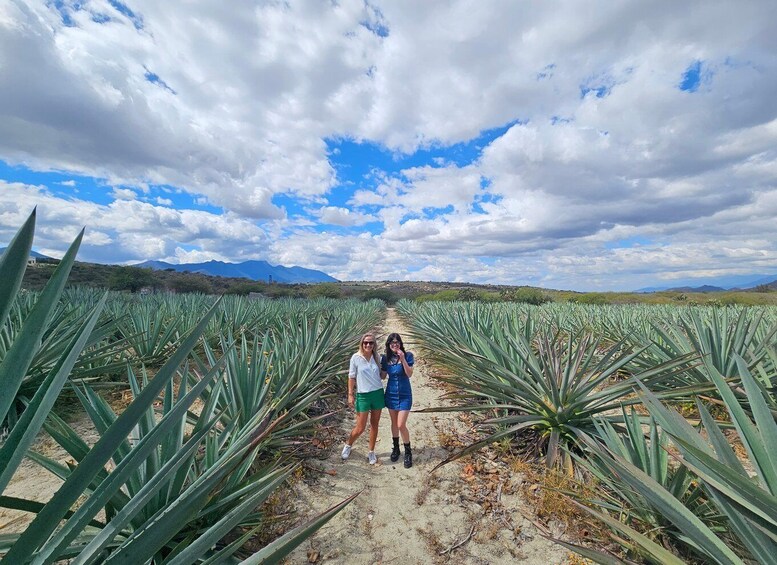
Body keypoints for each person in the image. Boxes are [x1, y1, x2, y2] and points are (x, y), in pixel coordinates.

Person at [342, 332, 385, 465]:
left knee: (374, 424)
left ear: (374, 344)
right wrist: (350, 394)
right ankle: (348, 444)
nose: (368, 345)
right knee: (360, 427)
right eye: (365, 342)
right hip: (363, 395)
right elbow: (351, 377)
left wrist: (388, 366)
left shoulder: (377, 357)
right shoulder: (356, 357)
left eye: (371, 342)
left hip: (377, 393)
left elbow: (382, 376)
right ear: (362, 343)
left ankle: (371, 451)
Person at [380, 333, 414, 468]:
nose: (395, 344)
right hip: (391, 394)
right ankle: (396, 448)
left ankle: (408, 451)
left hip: (405, 394)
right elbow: (382, 376)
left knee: (401, 424)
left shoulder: (408, 355)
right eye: (392, 342)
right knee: (394, 423)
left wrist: (403, 358)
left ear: (401, 343)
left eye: (397, 342)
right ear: (388, 345)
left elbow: (409, 373)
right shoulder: (385, 359)